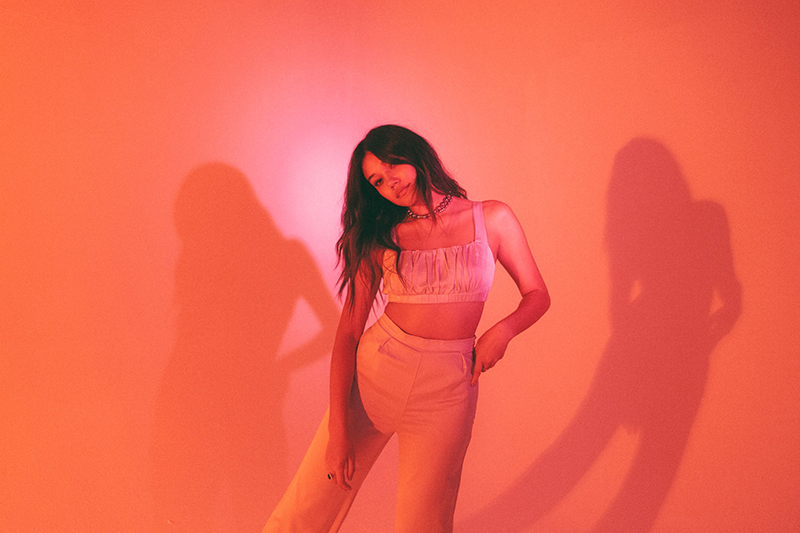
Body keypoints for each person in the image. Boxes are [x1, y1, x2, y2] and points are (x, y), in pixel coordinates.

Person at [263, 124, 550, 532]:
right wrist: (338, 430)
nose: (389, 182)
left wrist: (502, 331)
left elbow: (537, 294)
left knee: (425, 523)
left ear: (413, 153)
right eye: (376, 181)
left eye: (391, 165)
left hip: (449, 387)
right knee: (305, 509)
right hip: (377, 373)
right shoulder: (382, 235)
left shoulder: (493, 217)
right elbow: (348, 333)